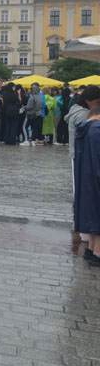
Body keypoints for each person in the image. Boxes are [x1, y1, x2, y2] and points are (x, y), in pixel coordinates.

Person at [75, 104, 100, 266]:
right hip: (95, 177)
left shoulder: (85, 128)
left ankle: (91, 249)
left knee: (93, 213)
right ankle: (97, 252)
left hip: (86, 178)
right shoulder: (97, 130)